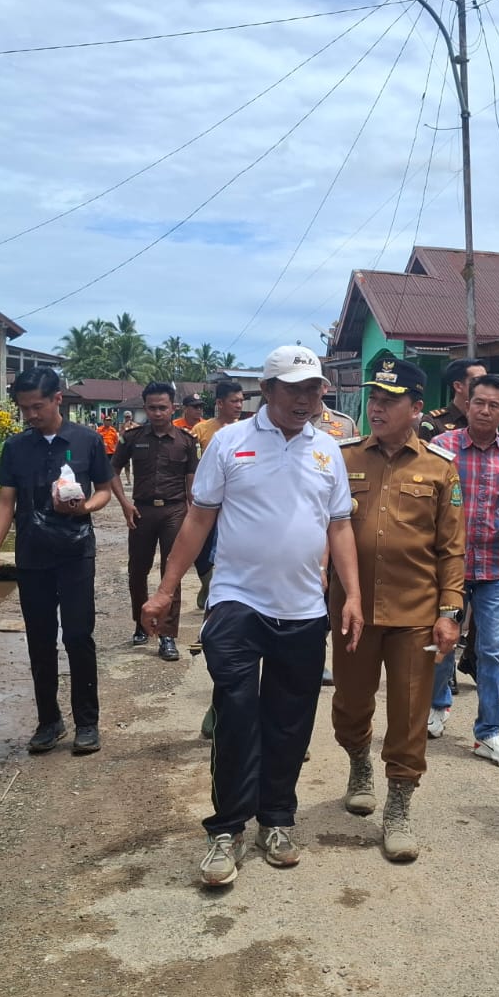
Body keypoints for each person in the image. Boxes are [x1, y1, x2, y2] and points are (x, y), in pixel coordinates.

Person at [142, 345, 363, 888]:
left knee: (289, 720)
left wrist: (352, 595)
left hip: (304, 609)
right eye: (293, 389)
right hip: (238, 603)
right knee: (237, 714)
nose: (306, 399)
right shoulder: (229, 443)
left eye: (313, 389)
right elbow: (197, 520)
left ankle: (278, 821)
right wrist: (165, 589)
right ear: (267, 392)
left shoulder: (327, 451)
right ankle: (227, 829)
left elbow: (339, 527)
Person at [332, 358, 464, 861]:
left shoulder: (439, 467)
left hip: (416, 612)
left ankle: (400, 804)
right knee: (350, 701)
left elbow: (452, 548)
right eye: (374, 398)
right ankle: (359, 761)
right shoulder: (342, 459)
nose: (377, 407)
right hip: (352, 610)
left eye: (389, 400)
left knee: (409, 713)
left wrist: (450, 610)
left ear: (415, 407)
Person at [0, 368, 115, 755]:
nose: (30, 415)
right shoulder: (16, 447)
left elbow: (105, 490)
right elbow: (6, 501)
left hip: (75, 552)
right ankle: (48, 721)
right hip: (33, 555)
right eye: (24, 408)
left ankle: (87, 723)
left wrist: (84, 507)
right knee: (40, 640)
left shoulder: (87, 440)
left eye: (37, 406)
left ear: (58, 398)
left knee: (77, 635)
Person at [429, 374, 499, 767]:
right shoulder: (441, 448)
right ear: (466, 405)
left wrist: (492, 532)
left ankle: (488, 732)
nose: (485, 411)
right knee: (441, 643)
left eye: (494, 406)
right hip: (447, 568)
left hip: (495, 568)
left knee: (493, 650)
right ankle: (438, 706)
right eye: (478, 403)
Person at [111, 381, 198, 662]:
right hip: (142, 511)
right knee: (138, 570)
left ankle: (167, 636)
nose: (157, 413)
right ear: (144, 408)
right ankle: (141, 623)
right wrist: (124, 504)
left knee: (171, 573)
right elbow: (110, 471)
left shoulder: (186, 441)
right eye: (152, 408)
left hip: (174, 512)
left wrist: (191, 514)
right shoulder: (132, 438)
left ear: (173, 408)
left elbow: (191, 483)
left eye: (163, 407)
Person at [190, 380, 246, 614]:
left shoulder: (248, 431)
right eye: (234, 401)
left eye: (241, 401)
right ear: (220, 403)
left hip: (236, 503)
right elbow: (191, 467)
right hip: (208, 501)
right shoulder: (201, 431)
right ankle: (207, 584)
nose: (239, 405)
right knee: (202, 550)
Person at [418, 357, 486, 440]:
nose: (484, 385)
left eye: (486, 380)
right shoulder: (434, 422)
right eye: (477, 381)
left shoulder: (486, 418)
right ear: (458, 386)